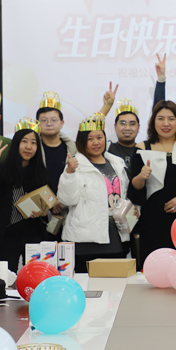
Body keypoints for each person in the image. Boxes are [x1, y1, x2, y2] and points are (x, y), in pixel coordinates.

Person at [128, 100, 176, 267]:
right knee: (154, 268)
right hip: (152, 221)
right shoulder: (143, 148)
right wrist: (141, 177)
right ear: (153, 122)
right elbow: (135, 191)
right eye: (161, 118)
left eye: (171, 119)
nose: (166, 124)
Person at [58, 113, 129, 272]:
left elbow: (122, 195)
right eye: (90, 139)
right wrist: (70, 173)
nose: (96, 142)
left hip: (115, 239)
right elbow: (67, 200)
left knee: (114, 285)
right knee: (85, 285)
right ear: (82, 142)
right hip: (85, 241)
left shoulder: (116, 163)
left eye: (99, 137)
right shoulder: (76, 165)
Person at [0, 118, 49, 272]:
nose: (29, 147)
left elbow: (46, 204)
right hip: (6, 234)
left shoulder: (41, 172)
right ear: (16, 144)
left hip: (34, 234)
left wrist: (44, 212)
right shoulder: (2, 169)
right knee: (5, 278)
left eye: (33, 143)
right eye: (24, 141)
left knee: (35, 275)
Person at [108, 99, 142, 170]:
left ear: (138, 128)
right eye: (123, 123)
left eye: (132, 124)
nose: (127, 128)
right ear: (115, 127)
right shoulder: (107, 149)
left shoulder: (143, 151)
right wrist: (106, 106)